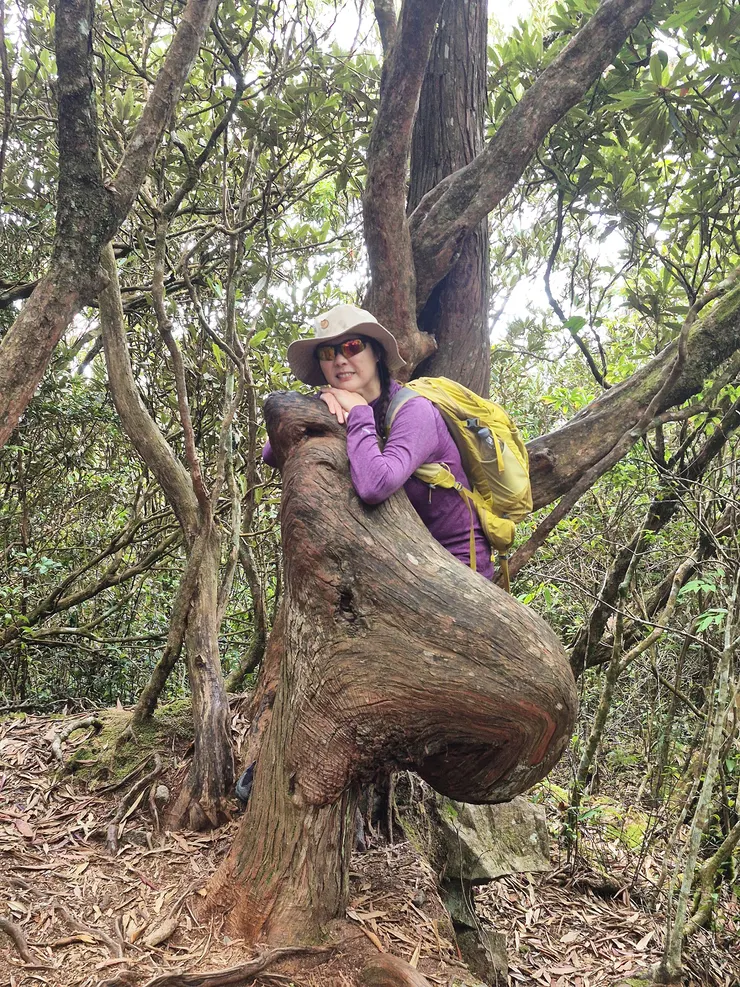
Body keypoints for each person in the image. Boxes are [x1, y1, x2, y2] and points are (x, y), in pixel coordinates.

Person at [263, 303, 493, 579]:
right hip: (401, 560)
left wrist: (359, 412)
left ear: (377, 353)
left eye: (352, 347)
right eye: (328, 353)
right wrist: (320, 405)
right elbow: (271, 453)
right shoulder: (337, 405)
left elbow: (375, 486)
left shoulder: (414, 411)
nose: (340, 360)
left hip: (458, 566)